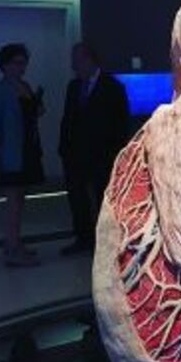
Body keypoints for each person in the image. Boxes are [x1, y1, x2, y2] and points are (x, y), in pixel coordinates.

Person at [59, 43, 129, 255]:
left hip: (102, 155)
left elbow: (120, 124)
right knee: (77, 198)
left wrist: (117, 154)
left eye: (77, 60)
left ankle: (104, 241)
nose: (73, 65)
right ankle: (83, 238)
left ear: (89, 60)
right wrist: (63, 148)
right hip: (75, 154)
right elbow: (68, 120)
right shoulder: (74, 87)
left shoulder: (113, 87)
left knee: (102, 198)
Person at [0, 43, 44, 267]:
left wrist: (36, 103)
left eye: (24, 62)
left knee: (20, 200)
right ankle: (11, 249)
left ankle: (15, 243)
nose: (22, 67)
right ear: (5, 65)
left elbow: (35, 113)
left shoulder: (25, 86)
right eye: (17, 63)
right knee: (13, 202)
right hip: (11, 153)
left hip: (28, 150)